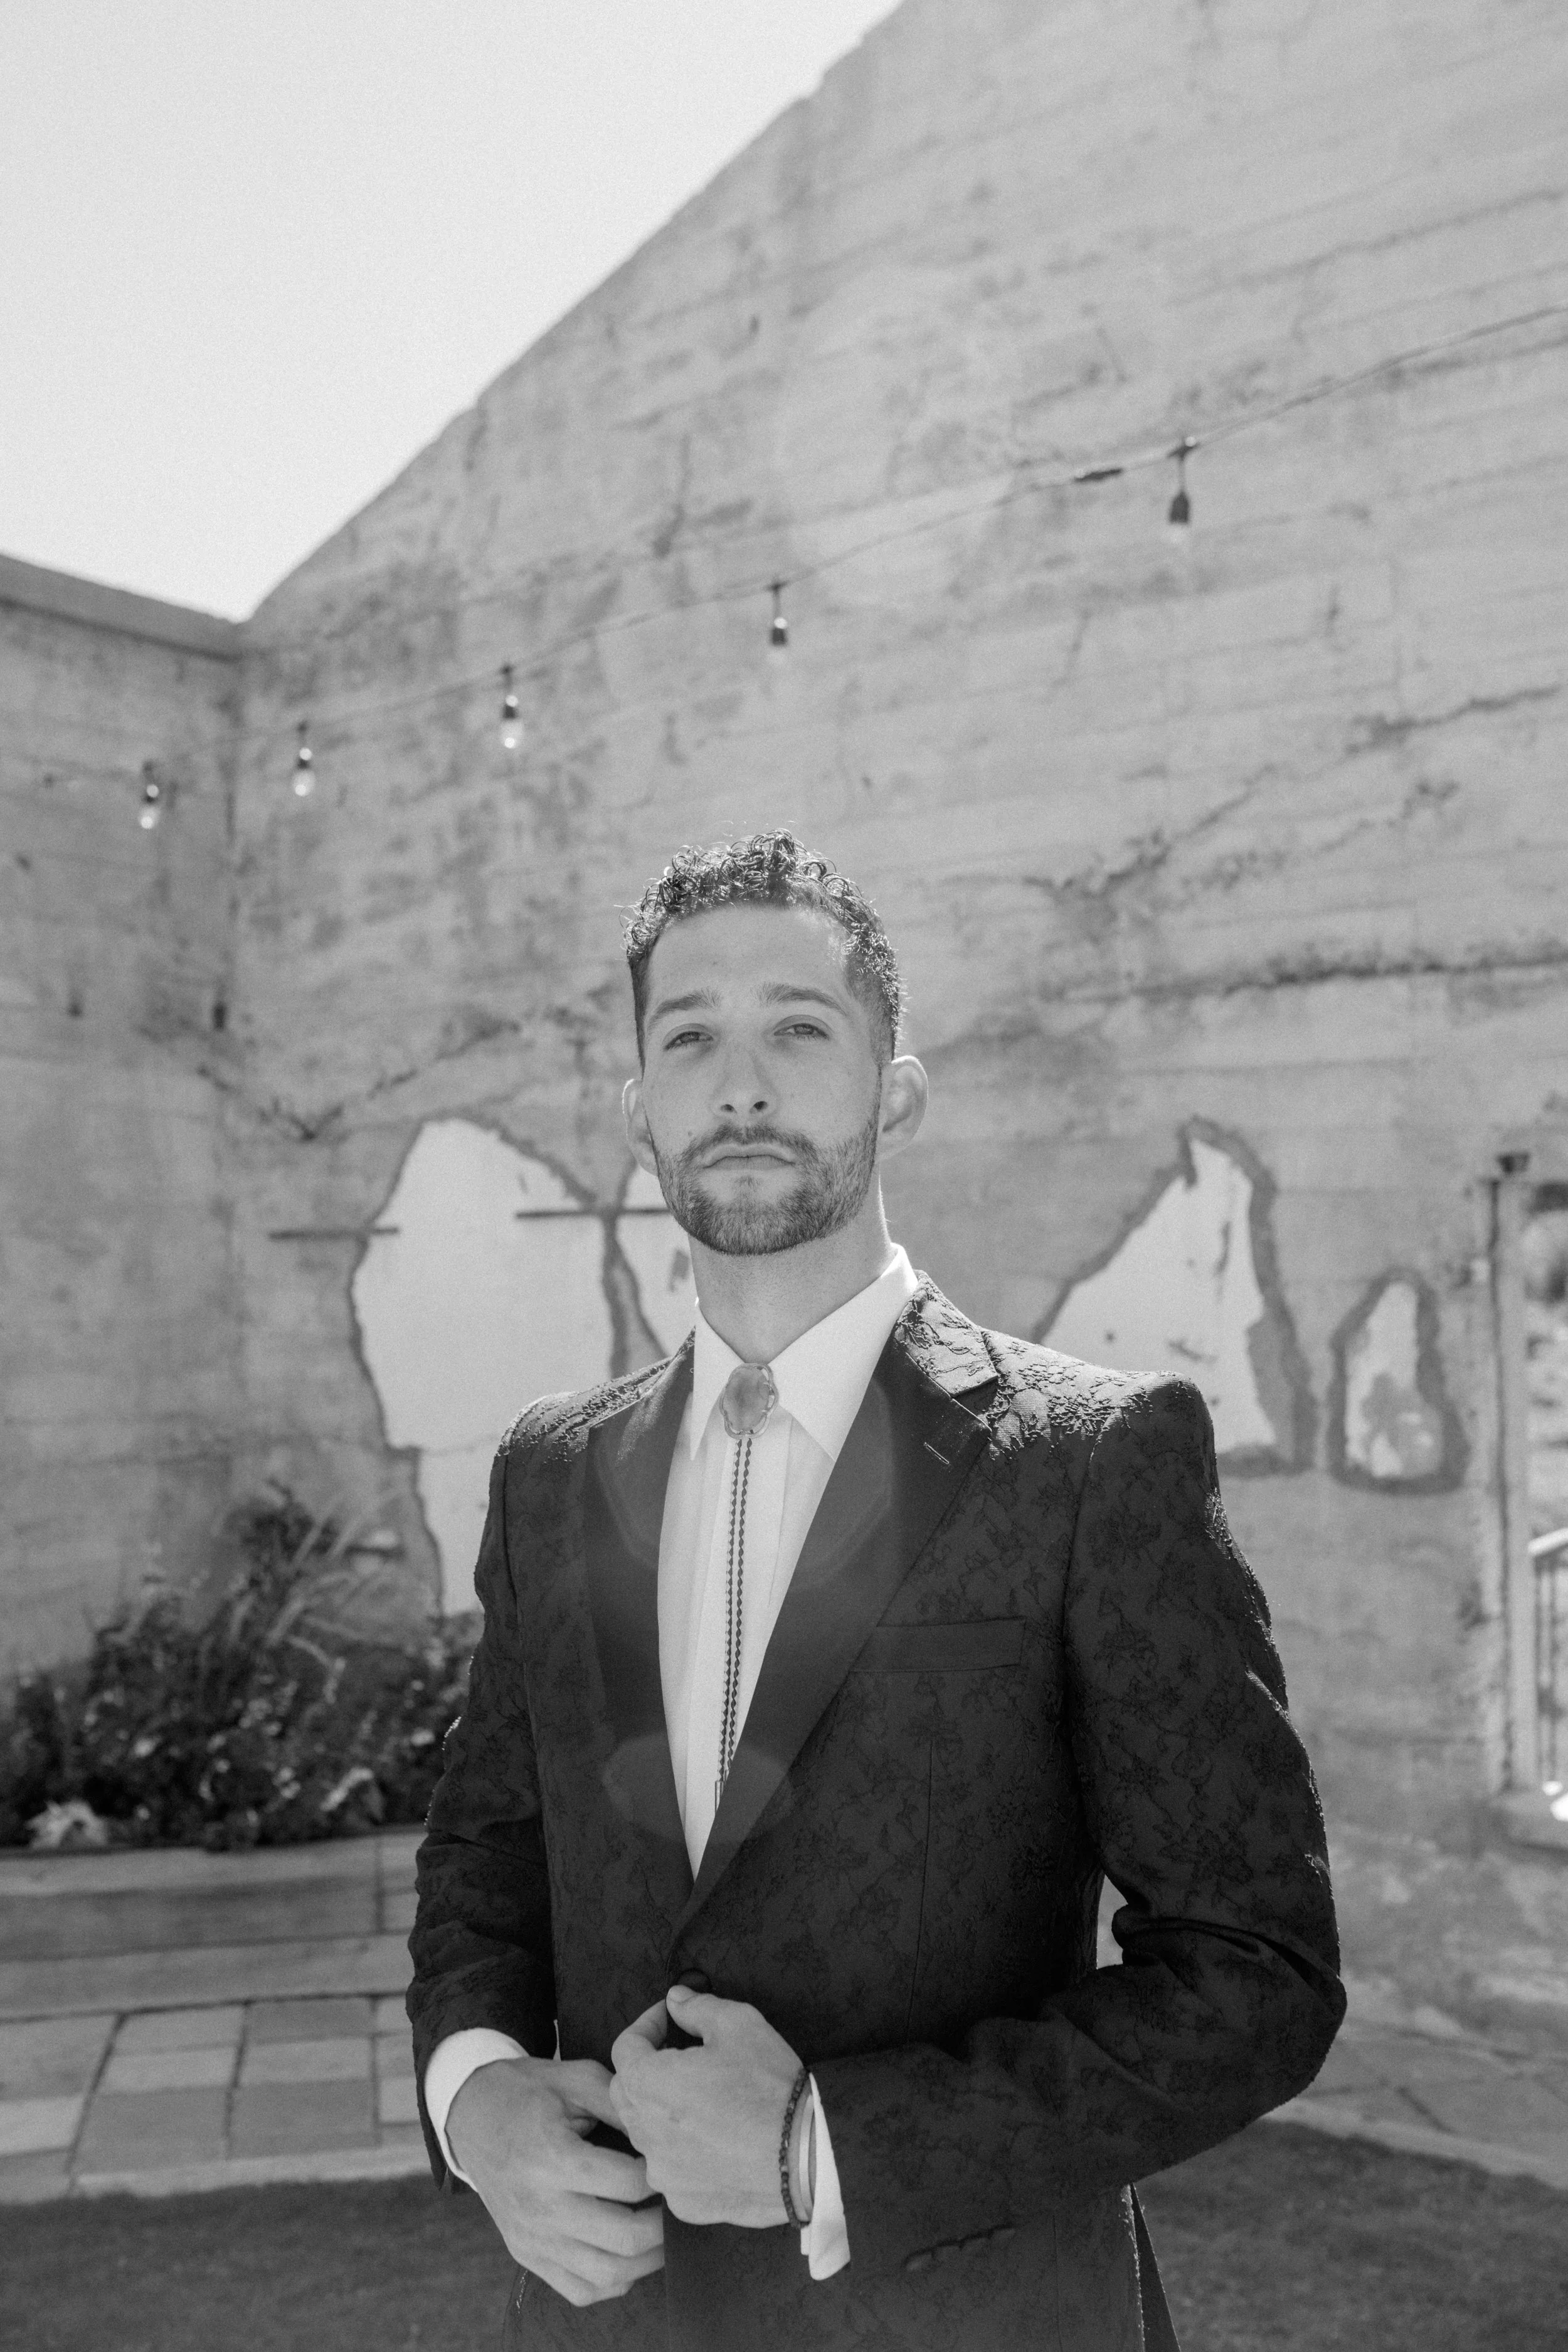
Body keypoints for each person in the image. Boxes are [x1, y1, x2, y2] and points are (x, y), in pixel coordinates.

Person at [406, 830, 1345, 2351]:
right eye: (688, 1037)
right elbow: (486, 1860)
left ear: (893, 1090)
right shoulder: (549, 1474)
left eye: (798, 1026)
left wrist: (825, 2149)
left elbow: (1257, 1969)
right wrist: (477, 2097)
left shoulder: (1091, 1460)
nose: (740, 1085)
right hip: (607, 2320)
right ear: (637, 1107)